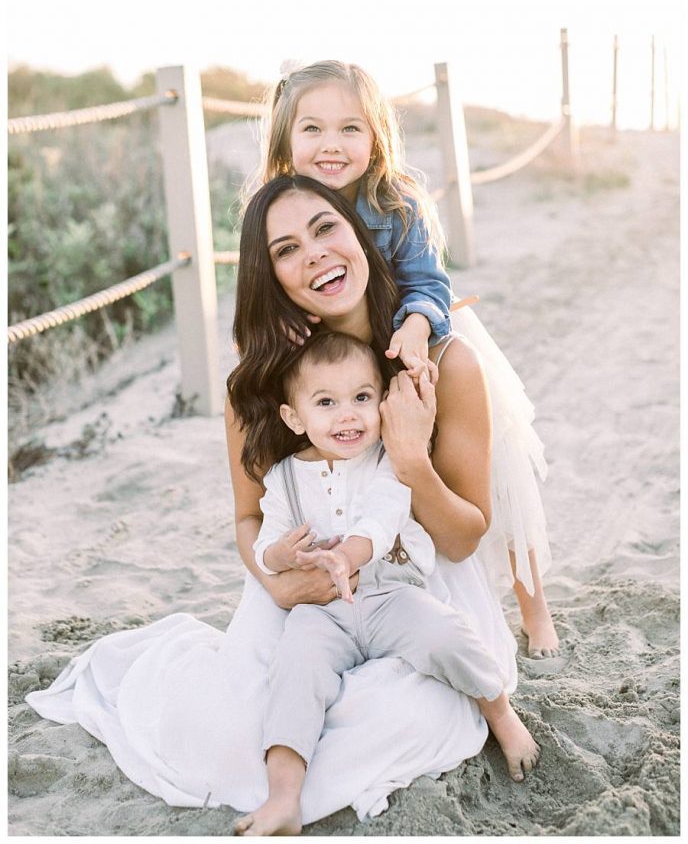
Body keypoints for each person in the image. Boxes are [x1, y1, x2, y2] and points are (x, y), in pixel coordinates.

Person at [26, 175, 525, 827]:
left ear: (360, 238)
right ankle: (279, 794)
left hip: (414, 581)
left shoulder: (443, 360)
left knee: (406, 716)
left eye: (326, 229)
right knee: (235, 737)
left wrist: (408, 458)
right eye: (287, 248)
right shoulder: (259, 384)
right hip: (298, 591)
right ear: (273, 277)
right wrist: (277, 581)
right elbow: (248, 519)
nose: (314, 253)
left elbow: (462, 539)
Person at [249, 59, 558, 658]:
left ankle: (534, 605)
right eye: (311, 130)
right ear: (286, 141)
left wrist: (417, 326)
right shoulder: (277, 215)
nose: (331, 146)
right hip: (346, 356)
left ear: (376, 136)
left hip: (416, 332)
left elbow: (429, 282)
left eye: (350, 129)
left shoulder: (396, 204)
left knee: (501, 473)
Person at [234, 330, 538, 836]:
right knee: (293, 671)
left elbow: (382, 517)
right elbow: (266, 539)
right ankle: (283, 797)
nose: (347, 414)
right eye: (326, 402)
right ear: (294, 417)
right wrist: (280, 554)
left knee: (446, 634)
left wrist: (347, 556)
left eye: (361, 398)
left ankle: (501, 714)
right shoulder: (285, 476)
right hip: (321, 610)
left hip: (389, 594)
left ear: (382, 404)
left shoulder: (385, 462)